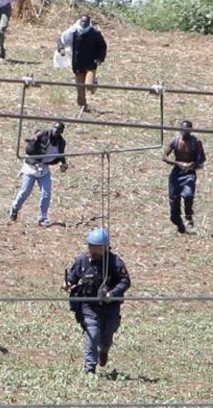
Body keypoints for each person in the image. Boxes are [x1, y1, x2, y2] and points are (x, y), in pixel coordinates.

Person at [65, 228, 131, 374]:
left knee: (106, 337)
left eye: (97, 248)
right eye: (91, 246)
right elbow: (72, 276)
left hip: (110, 307)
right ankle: (89, 368)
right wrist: (68, 283)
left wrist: (111, 293)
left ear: (106, 248)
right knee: (93, 333)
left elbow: (125, 281)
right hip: (89, 306)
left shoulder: (114, 262)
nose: (93, 251)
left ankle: (104, 350)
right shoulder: (82, 260)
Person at [10, 122, 68, 227]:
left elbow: (61, 154)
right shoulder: (44, 133)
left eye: (58, 130)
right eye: (55, 128)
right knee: (25, 192)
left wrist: (64, 163)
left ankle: (43, 218)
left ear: (61, 132)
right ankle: (15, 209)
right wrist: (33, 139)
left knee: (46, 193)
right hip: (31, 168)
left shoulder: (61, 142)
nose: (56, 131)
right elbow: (36, 136)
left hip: (44, 170)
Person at [57, 15, 107, 114]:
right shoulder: (73, 32)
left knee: (88, 85)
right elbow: (61, 40)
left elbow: (102, 46)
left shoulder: (94, 33)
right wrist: (61, 49)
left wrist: (100, 58)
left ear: (89, 23)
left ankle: (94, 83)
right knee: (80, 87)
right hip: (78, 63)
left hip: (90, 63)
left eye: (86, 22)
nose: (84, 23)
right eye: (82, 21)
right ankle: (83, 106)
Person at [162, 120, 206, 234]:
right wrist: (178, 163)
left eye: (187, 130)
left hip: (189, 173)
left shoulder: (196, 142)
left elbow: (202, 158)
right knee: (174, 207)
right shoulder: (175, 140)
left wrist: (193, 164)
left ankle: (188, 215)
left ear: (191, 130)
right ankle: (180, 225)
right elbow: (164, 157)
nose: (185, 132)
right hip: (177, 172)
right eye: (183, 129)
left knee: (188, 195)